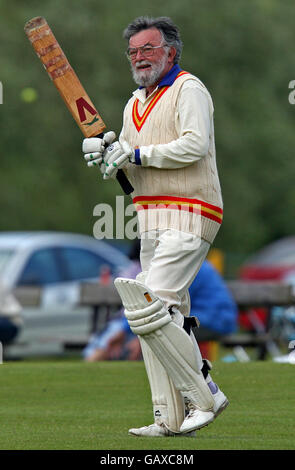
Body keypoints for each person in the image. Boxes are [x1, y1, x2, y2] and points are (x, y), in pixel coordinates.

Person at [82, 16, 225, 437]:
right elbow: (130, 158)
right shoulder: (133, 104)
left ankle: (206, 394)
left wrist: (136, 154)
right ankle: (170, 416)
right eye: (134, 51)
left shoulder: (189, 88)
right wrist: (108, 156)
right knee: (166, 315)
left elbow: (194, 143)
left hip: (192, 210)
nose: (140, 57)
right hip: (150, 217)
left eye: (148, 48)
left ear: (170, 52)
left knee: (152, 304)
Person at [83, 260, 237, 361]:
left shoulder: (186, 265)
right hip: (210, 317)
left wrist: (137, 332)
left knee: (160, 330)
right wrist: (127, 330)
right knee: (157, 329)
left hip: (214, 320)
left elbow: (163, 303)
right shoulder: (188, 261)